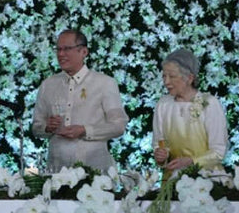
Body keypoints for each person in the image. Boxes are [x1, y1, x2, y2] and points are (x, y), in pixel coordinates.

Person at [32, 29, 129, 172]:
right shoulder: (48, 85)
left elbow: (118, 126)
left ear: (84, 52)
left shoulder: (104, 83)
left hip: (95, 173)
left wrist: (85, 130)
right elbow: (36, 127)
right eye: (58, 49)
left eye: (67, 49)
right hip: (57, 171)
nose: (61, 54)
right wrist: (47, 127)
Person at [153, 49, 228, 178]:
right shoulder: (163, 104)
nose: (166, 82)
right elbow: (158, 143)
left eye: (172, 76)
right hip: (172, 182)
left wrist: (192, 161)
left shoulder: (209, 103)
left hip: (207, 181)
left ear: (189, 78)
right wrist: (161, 156)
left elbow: (218, 151)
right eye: (164, 76)